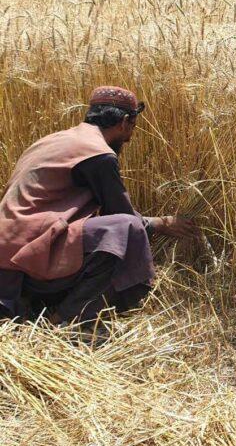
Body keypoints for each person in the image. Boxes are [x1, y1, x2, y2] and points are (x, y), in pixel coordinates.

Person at [0, 86, 199, 324]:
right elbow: (122, 215)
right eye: (132, 128)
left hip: (12, 247)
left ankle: (37, 304)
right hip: (28, 251)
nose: (130, 137)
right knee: (126, 230)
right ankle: (65, 319)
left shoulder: (54, 140)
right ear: (124, 122)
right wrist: (160, 223)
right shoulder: (98, 153)